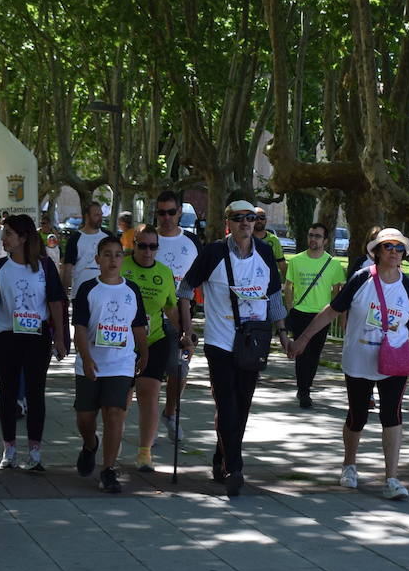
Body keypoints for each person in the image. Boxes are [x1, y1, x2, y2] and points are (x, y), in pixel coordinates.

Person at [289, 228, 409, 499]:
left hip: (394, 360)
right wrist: (304, 338)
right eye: (388, 246)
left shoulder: (408, 285)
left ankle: (391, 479)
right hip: (360, 359)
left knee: (392, 415)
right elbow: (332, 310)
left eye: (399, 248)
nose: (394, 252)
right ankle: (349, 465)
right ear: (376, 252)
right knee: (358, 416)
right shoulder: (361, 279)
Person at [178, 199, 289, 497]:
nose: (245, 223)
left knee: (241, 406)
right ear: (228, 221)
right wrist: (187, 331)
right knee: (226, 403)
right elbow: (186, 289)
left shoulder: (265, 252)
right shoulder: (213, 252)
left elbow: (275, 296)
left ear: (255, 222)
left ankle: (221, 458)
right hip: (219, 341)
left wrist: (283, 333)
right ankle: (235, 468)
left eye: (250, 218)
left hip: (253, 342)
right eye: (238, 218)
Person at [0, 214, 69, 471]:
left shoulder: (45, 267)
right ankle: (9, 449)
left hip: (37, 338)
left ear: (23, 237)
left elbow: (55, 303)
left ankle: (35, 452)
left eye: (8, 234)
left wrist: (59, 338)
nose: (3, 238)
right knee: (7, 392)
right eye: (3, 233)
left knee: (35, 393)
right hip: (5, 336)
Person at [74, 237, 149, 492]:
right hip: (91, 362)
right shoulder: (87, 289)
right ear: (97, 260)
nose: (113, 259)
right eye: (107, 254)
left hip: (121, 363)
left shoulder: (132, 290)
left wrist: (144, 352)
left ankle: (107, 469)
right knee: (85, 418)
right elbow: (80, 328)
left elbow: (138, 326)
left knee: (114, 414)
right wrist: (85, 358)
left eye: (118, 254)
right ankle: (89, 444)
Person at [122, 227, 181, 471]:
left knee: (149, 392)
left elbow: (171, 308)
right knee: (120, 401)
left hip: (155, 340)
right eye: (142, 246)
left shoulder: (165, 273)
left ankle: (144, 453)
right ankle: (110, 447)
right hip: (121, 342)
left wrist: (185, 334)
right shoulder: (122, 266)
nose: (147, 251)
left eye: (153, 247)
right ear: (133, 245)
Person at [152, 190, 203, 441]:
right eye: (161, 212)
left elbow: (204, 279)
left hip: (182, 314)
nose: (167, 217)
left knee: (180, 370)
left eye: (171, 212)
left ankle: (170, 414)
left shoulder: (192, 242)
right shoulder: (149, 239)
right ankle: (144, 436)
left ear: (180, 212)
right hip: (149, 316)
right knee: (147, 376)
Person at [284, 222, 346, 408]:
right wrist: (290, 309)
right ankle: (303, 390)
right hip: (300, 312)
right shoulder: (296, 261)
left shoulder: (333, 264)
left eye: (318, 236)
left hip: (321, 315)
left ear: (325, 241)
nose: (313, 239)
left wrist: (335, 314)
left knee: (314, 354)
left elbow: (337, 291)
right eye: (311, 235)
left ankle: (306, 385)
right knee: (301, 352)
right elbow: (288, 286)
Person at [62, 199, 109, 295]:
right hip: (80, 292)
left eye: (101, 214)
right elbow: (67, 268)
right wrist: (64, 293)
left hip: (103, 292)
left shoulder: (108, 237)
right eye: (96, 215)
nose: (100, 218)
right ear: (87, 216)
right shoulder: (75, 239)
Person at [253, 205, 288, 279]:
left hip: (270, 282)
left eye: (262, 217)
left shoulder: (274, 240)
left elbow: (281, 263)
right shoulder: (245, 239)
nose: (259, 220)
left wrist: (285, 283)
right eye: (255, 218)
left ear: (266, 220)